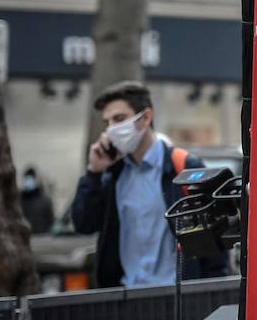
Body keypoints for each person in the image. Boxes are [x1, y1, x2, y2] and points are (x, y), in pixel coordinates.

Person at [71, 81, 226, 287]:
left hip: (176, 296)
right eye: (107, 123)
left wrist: (204, 296)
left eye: (119, 119)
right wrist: (93, 172)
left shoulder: (184, 167)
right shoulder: (113, 175)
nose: (112, 130)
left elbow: (215, 246)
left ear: (145, 117)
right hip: (127, 295)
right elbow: (83, 224)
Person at [19, 166, 56, 235]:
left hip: (42, 237)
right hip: (25, 238)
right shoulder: (19, 201)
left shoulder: (45, 201)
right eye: (26, 179)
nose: (28, 182)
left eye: (31, 179)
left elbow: (51, 222)